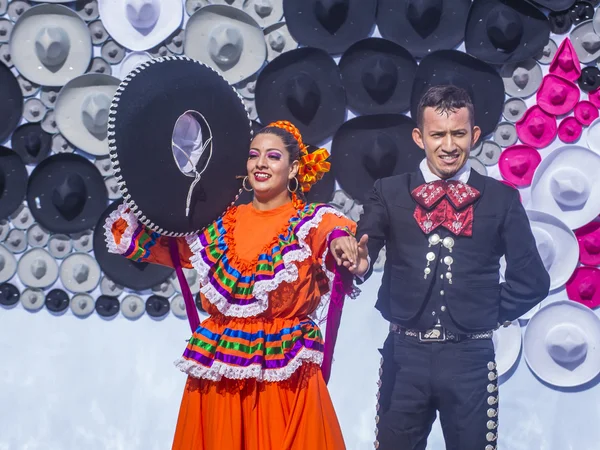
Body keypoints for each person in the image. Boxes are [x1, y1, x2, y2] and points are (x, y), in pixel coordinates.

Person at [104, 120, 359, 450]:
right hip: (220, 368)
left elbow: (332, 233)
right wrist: (152, 187)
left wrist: (341, 244)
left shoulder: (310, 221)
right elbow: (170, 243)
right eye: (254, 155)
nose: (260, 163)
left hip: (283, 368)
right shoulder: (220, 224)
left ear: (294, 168)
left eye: (273, 156)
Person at [335, 85, 551, 450]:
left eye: (458, 134)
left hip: (470, 359)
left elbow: (531, 281)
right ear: (419, 137)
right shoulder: (389, 191)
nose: (448, 145)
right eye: (438, 134)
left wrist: (485, 313)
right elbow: (367, 242)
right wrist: (360, 262)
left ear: (475, 135)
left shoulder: (501, 198)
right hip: (405, 357)